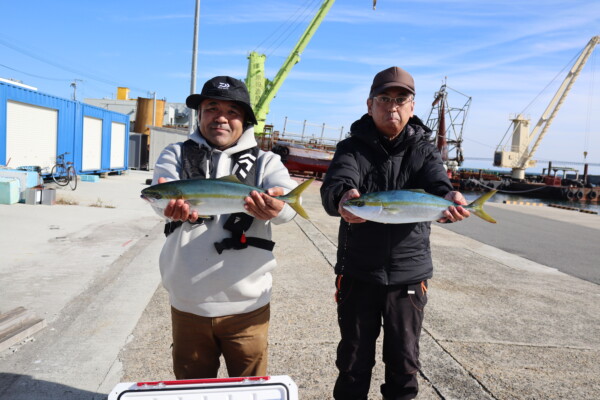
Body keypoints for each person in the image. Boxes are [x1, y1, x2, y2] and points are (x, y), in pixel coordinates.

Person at [320, 66, 470, 400]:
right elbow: (337, 184)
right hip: (359, 272)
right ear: (369, 103)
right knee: (353, 363)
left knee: (404, 364)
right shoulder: (351, 148)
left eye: (401, 100)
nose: (393, 107)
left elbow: (438, 182)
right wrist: (342, 197)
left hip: (408, 275)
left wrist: (449, 198)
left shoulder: (424, 149)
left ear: (412, 107)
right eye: (385, 99)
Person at [150, 75, 298, 379]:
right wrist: (165, 207)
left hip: (248, 307)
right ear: (200, 114)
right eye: (211, 108)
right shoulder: (175, 155)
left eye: (232, 112)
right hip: (188, 304)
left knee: (249, 392)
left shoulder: (266, 162)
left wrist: (278, 206)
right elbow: (158, 199)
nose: (221, 118)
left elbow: (288, 209)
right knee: (192, 392)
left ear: (245, 121)